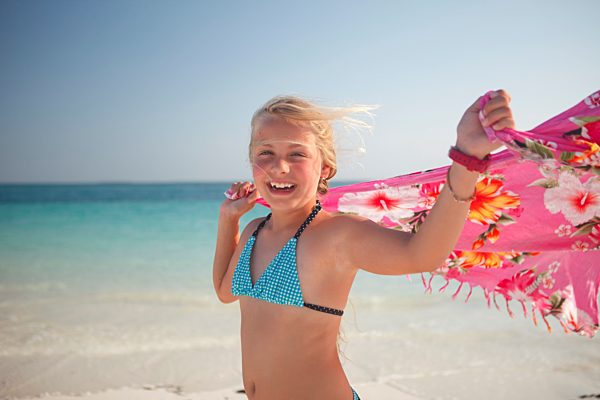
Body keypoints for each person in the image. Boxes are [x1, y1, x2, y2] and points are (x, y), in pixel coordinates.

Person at [212, 90, 514, 399]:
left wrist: (466, 159)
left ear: (325, 168)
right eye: (266, 153)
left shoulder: (335, 234)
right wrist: (228, 220)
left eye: (297, 154)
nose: (280, 167)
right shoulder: (253, 230)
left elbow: (420, 256)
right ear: (252, 162)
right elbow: (225, 292)